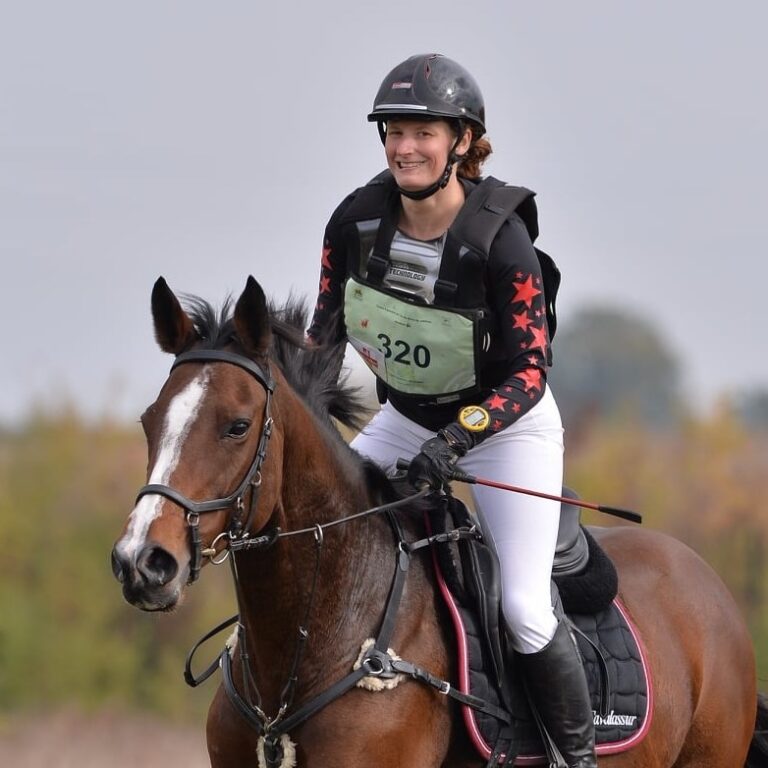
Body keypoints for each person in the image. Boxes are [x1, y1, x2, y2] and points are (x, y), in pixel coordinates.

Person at [307, 53, 596, 768]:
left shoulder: (505, 245)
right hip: (407, 420)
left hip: (507, 430)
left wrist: (459, 440)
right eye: (394, 132)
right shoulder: (354, 223)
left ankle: (577, 759)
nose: (405, 147)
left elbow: (529, 373)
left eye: (423, 132)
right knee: (316, 534)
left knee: (525, 610)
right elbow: (321, 340)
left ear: (462, 141)